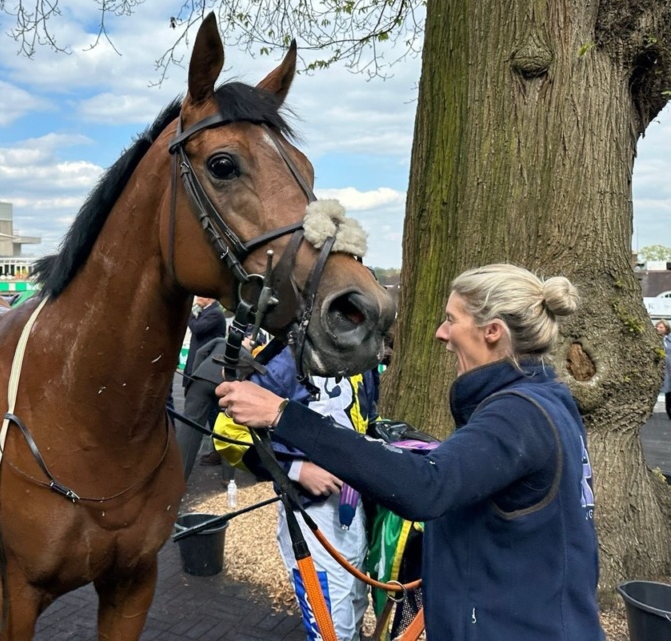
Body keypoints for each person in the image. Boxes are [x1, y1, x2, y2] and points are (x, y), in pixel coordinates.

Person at [217, 263, 604, 641]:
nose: (441, 333)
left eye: (451, 319)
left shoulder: (517, 413)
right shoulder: (544, 398)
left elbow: (428, 488)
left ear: (492, 332)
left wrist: (284, 416)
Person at [245, 346, 376, 641]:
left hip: (355, 507)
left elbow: (365, 421)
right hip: (311, 514)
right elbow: (234, 437)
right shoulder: (282, 359)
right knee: (331, 631)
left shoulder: (362, 356)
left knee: (356, 605)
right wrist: (297, 471)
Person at [179, 297, 227, 469]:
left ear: (209, 299)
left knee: (205, 418)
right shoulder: (208, 313)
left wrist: (189, 313)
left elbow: (197, 329)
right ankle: (219, 452)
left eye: (200, 296)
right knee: (213, 416)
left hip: (205, 374)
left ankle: (218, 452)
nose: (197, 299)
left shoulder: (215, 314)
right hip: (199, 370)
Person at [658, 319, 671, 419]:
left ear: (666, 329)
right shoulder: (655, 340)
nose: (658, 329)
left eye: (661, 327)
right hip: (663, 368)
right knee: (666, 389)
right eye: (657, 327)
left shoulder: (669, 339)